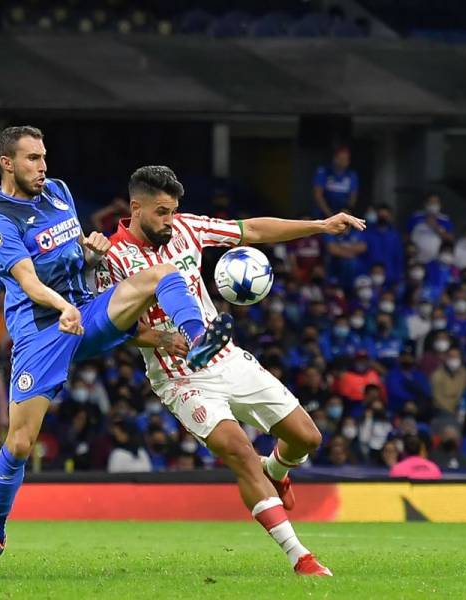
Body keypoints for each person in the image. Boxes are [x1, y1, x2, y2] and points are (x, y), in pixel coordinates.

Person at [0, 127, 239, 572]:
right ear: (7, 163)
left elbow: (77, 262)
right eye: (32, 158)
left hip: (86, 312)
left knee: (160, 272)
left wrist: (91, 256)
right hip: (42, 333)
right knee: (19, 443)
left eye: (44, 156)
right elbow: (28, 281)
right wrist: (60, 306)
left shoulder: (59, 193)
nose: (43, 166)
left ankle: (198, 338)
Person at [96, 165, 364, 575]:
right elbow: (109, 328)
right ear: (136, 208)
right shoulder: (112, 257)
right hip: (179, 377)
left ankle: (276, 471)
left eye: (173, 211)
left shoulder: (186, 228)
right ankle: (300, 557)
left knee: (306, 437)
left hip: (227, 358)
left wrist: (321, 225)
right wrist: (159, 339)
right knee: (240, 452)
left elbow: (251, 230)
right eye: (162, 213)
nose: (170, 220)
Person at [312, 145, 358, 217]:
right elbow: (318, 195)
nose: (343, 161)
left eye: (346, 159)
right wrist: (330, 215)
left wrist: (347, 211)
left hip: (342, 213)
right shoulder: (323, 171)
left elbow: (353, 197)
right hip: (323, 214)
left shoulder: (352, 175)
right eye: (341, 159)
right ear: (335, 158)